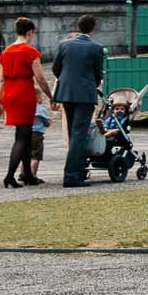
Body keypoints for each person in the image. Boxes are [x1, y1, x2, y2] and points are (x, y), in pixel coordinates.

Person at [50, 14, 107, 188]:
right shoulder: (96, 47)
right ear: (93, 29)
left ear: (78, 27)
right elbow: (98, 73)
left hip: (67, 93)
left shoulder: (64, 44)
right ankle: (71, 175)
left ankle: (79, 169)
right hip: (85, 94)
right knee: (79, 133)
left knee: (73, 132)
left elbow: (56, 69)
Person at [0, 17, 55, 187]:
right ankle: (9, 175)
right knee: (22, 138)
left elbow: (1, 79)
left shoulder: (6, 52)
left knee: (24, 133)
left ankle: (28, 175)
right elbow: (40, 78)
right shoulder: (29, 51)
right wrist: (51, 95)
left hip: (9, 92)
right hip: (24, 92)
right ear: (30, 32)